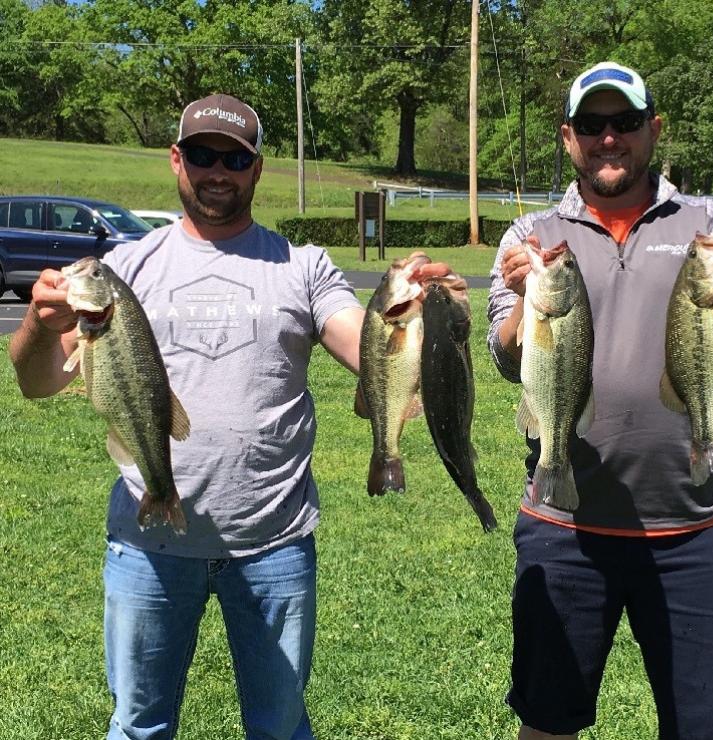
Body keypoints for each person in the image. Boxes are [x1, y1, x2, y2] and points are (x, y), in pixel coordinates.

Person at [8, 93, 447, 740]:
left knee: (279, 728)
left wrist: (420, 321)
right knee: (138, 727)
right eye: (202, 155)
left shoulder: (301, 265)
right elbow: (38, 381)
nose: (218, 171)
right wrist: (40, 327)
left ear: (257, 168)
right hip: (147, 546)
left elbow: (366, 347)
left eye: (235, 159)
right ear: (176, 159)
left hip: (274, 543)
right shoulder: (122, 270)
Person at [487, 62, 713, 739]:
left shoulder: (710, 222)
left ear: (654, 129)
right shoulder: (530, 238)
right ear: (568, 137)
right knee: (547, 721)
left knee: (710, 728)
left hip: (694, 531)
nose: (608, 138)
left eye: (626, 122)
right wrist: (524, 299)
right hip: (564, 528)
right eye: (591, 124)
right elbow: (504, 356)